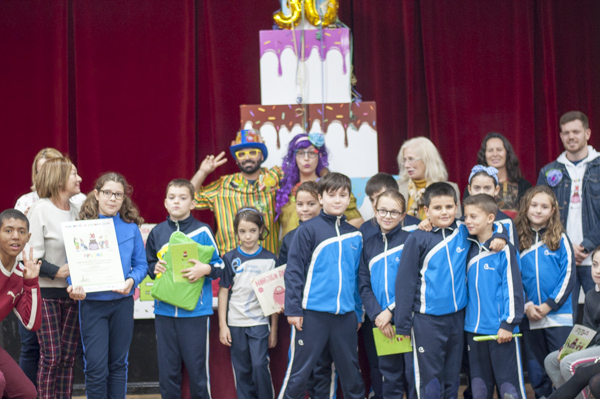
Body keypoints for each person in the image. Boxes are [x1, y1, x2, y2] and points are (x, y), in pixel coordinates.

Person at [394, 182, 506, 399]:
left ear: (457, 208)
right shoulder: (418, 238)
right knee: (430, 382)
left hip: (456, 319)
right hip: (426, 321)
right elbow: (405, 283)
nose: (444, 212)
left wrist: (502, 236)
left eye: (448, 207)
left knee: (452, 377)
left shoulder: (465, 231)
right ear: (426, 211)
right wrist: (403, 325)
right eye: (437, 208)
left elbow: (495, 225)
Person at [280, 173, 364, 399]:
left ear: (349, 199)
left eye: (343, 195)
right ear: (320, 197)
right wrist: (294, 309)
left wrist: (357, 312)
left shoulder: (355, 235)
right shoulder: (308, 230)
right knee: (298, 376)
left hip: (345, 317)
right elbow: (294, 271)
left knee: (352, 377)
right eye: (332, 195)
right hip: (311, 315)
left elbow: (357, 278)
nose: (337, 200)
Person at [145, 179, 224, 399]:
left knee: (198, 371)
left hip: (196, 313)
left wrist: (205, 268)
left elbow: (221, 267)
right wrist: (154, 266)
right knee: (168, 372)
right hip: (164, 312)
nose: (176, 202)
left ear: (192, 203)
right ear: (165, 203)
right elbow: (148, 265)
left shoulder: (204, 231)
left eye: (182, 197)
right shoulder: (157, 232)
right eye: (172, 198)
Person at [14, 148, 86, 385]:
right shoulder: (38, 208)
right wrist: (56, 271)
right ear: (59, 178)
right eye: (73, 174)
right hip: (45, 293)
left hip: (71, 294)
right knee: (50, 356)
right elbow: (28, 255)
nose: (80, 179)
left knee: (67, 357)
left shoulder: (78, 208)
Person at [75, 172, 149, 398]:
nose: (113, 198)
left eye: (118, 194)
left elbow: (141, 265)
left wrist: (131, 281)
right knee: (95, 367)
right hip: (93, 305)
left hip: (122, 303)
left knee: (118, 365)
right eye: (107, 193)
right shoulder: (82, 228)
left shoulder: (131, 228)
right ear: (96, 194)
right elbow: (73, 267)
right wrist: (73, 285)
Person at [279, 181, 338, 399]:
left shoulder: (335, 232)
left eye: (311, 203)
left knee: (324, 365)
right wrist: (286, 304)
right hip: (302, 312)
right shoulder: (289, 238)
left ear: (321, 202)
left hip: (328, 310)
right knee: (300, 367)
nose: (305, 209)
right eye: (300, 204)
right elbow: (282, 274)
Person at [538, 111, 600, 320]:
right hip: (561, 258)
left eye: (576, 132)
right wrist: (566, 246)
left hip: (595, 257)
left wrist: (586, 245)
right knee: (566, 319)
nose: (571, 137)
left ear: (587, 133)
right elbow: (539, 214)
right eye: (566, 133)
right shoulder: (549, 171)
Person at [463, 194, 526, 399]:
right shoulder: (468, 246)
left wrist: (508, 324)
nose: (468, 221)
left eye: (474, 216)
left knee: (509, 389)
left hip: (501, 331)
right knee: (480, 388)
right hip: (473, 330)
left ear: (491, 218)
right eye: (466, 217)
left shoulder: (504, 249)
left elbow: (513, 288)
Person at [515, 186, 576, 398]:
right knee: (536, 368)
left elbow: (568, 276)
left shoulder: (560, 238)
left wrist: (549, 305)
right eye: (534, 205)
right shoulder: (517, 240)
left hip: (559, 315)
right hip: (530, 315)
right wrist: (527, 306)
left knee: (563, 364)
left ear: (552, 211)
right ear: (526, 208)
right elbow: (513, 278)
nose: (538, 210)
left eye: (544, 206)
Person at [358, 190, 415, 398]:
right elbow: (363, 285)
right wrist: (378, 316)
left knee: (413, 375)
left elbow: (415, 283)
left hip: (409, 321)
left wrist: (391, 311)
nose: (387, 216)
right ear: (375, 211)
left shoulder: (412, 240)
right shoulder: (369, 244)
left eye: (394, 212)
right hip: (381, 323)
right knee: (390, 376)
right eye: (383, 210)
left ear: (402, 215)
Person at [191, 129, 283, 254]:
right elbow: (191, 200)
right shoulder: (223, 184)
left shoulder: (275, 177)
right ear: (236, 160)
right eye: (241, 154)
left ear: (262, 156)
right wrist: (203, 172)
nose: (247, 158)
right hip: (229, 263)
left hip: (266, 262)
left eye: (253, 152)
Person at [218, 207, 278, 399]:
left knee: (260, 365)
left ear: (261, 230)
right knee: (242, 369)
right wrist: (222, 325)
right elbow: (223, 292)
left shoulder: (270, 259)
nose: (248, 236)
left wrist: (274, 329)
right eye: (242, 231)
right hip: (235, 323)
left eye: (252, 230)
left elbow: (274, 298)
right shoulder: (230, 258)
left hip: (259, 323)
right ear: (236, 232)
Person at [275, 133, 363, 236]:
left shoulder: (330, 187)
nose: (306, 158)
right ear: (294, 157)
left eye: (312, 153)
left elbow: (358, 221)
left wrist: (327, 235)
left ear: (320, 156)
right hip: (290, 249)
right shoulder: (284, 189)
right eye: (301, 153)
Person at [544, 246, 600, 396]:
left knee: (568, 363)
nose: (598, 271)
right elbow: (588, 330)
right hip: (595, 344)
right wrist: (570, 347)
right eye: (595, 265)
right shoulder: (590, 295)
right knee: (551, 361)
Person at [0, 209, 41, 399]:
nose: (15, 236)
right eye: (8, 230)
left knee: (26, 393)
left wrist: (31, 282)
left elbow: (32, 324)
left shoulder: (20, 274)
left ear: (28, 237)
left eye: (21, 231)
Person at [464, 133, 531, 218]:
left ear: (507, 153)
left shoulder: (523, 186)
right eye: (490, 150)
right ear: (484, 155)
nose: (495, 154)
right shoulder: (474, 187)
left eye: (499, 150)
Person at [396, 136, 462, 220]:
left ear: (427, 160)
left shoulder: (450, 188)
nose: (406, 165)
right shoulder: (397, 187)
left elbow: (456, 221)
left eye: (411, 159)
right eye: (405, 160)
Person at [466, 165, 519, 247]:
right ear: (469, 190)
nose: (482, 192)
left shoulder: (506, 221)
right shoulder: (464, 222)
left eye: (487, 188)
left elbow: (513, 255)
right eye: (477, 188)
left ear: (496, 190)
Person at [360, 173, 419, 242]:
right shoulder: (365, 228)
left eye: (380, 197)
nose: (375, 203)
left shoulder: (415, 225)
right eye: (372, 200)